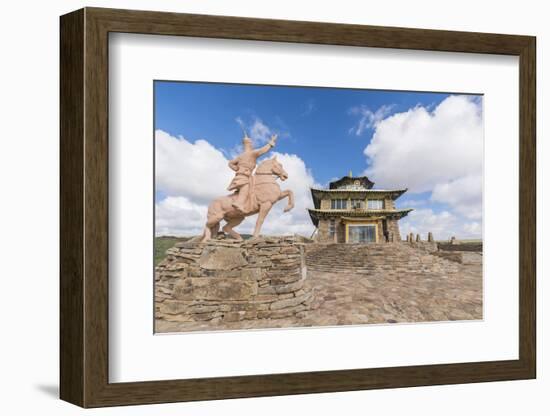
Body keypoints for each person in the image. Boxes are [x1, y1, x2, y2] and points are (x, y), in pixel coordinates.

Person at [227, 133, 277, 213]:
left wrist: (237, 169)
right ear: (250, 145)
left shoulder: (240, 156)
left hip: (245, 176)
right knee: (245, 188)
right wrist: (272, 142)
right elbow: (263, 150)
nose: (252, 145)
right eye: (251, 144)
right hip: (243, 177)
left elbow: (230, 163)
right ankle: (239, 203)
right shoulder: (252, 153)